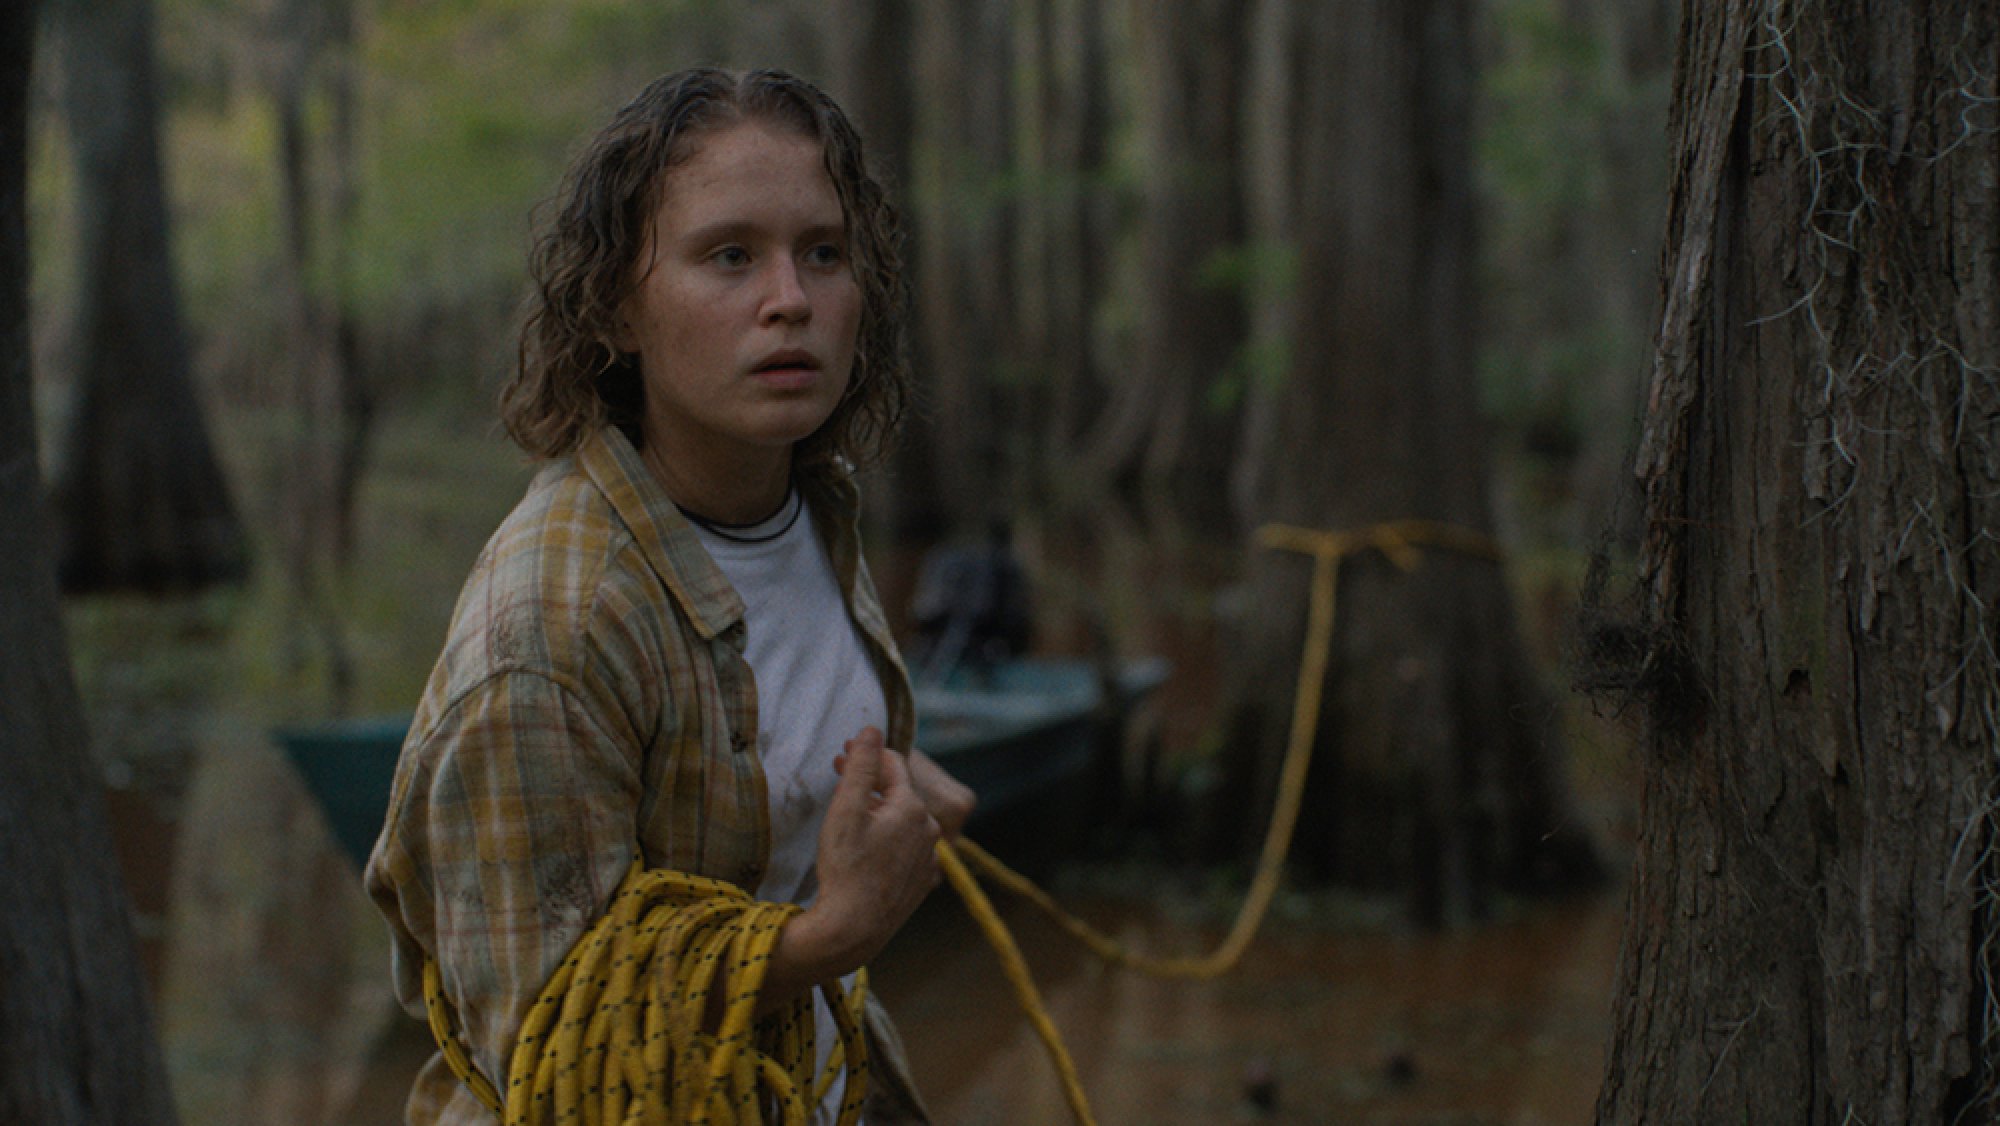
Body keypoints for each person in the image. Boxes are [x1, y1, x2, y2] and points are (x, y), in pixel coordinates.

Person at [364, 67, 973, 1125]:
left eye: (822, 252)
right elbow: (545, 1038)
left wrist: (863, 764)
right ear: (616, 306)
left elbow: (755, 717)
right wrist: (828, 937)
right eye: (728, 255)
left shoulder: (809, 504)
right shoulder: (547, 631)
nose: (790, 297)